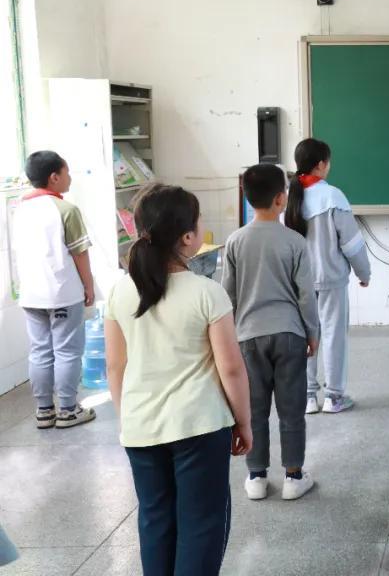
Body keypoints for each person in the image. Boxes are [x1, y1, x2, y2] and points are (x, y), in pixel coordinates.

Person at [104, 184, 252, 576]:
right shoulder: (207, 292)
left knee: (155, 521)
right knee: (201, 524)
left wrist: (127, 418)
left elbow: (115, 366)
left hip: (141, 427)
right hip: (199, 426)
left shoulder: (120, 292)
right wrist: (244, 422)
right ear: (188, 236)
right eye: (199, 220)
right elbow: (231, 368)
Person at [224, 164, 320, 501]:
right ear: (281, 199)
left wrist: (229, 339)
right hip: (289, 333)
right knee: (292, 408)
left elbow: (228, 296)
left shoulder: (235, 241)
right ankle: (293, 476)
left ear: (247, 198)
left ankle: (257, 476)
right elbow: (306, 295)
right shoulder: (295, 241)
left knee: (254, 409)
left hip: (248, 337)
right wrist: (312, 332)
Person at [284, 138, 371, 415]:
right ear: (321, 164)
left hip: (298, 282)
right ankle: (334, 396)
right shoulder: (333, 196)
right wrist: (364, 272)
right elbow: (351, 244)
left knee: (305, 335)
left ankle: (308, 397)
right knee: (333, 335)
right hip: (331, 279)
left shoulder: (288, 198)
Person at [12, 150, 96, 430]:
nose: (70, 178)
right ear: (54, 177)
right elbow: (80, 253)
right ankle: (68, 411)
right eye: (67, 172)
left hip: (30, 294)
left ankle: (44, 411)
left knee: (39, 351)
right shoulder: (65, 210)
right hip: (62, 293)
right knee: (67, 351)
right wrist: (88, 286)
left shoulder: (19, 209)